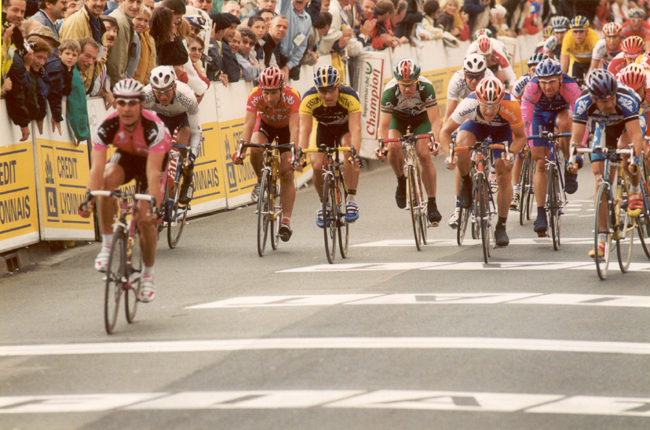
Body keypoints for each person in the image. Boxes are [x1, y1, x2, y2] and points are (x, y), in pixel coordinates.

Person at [81, 79, 171, 302]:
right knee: (106, 181)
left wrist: (155, 206)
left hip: (153, 162)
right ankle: (107, 245)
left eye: (132, 103)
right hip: (127, 157)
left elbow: (152, 174)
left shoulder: (154, 128)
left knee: (144, 218)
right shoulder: (107, 125)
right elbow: (97, 168)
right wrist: (88, 197)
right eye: (121, 102)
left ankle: (148, 275)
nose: (126, 108)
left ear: (141, 105)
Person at [440, 77, 526, 247]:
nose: (489, 111)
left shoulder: (511, 105)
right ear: (478, 100)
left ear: (500, 102)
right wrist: (449, 156)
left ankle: (501, 226)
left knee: (504, 173)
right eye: (485, 105)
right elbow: (445, 132)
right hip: (475, 126)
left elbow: (521, 137)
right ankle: (466, 180)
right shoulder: (469, 103)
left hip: (502, 131)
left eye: (494, 106)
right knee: (461, 144)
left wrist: (511, 153)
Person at [568, 69, 645, 258]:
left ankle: (635, 189)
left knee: (624, 149)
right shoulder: (582, 103)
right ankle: (601, 238)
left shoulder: (625, 99)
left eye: (612, 99)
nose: (610, 103)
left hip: (629, 124)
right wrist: (574, 160)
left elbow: (635, 135)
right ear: (593, 99)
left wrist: (635, 159)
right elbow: (576, 140)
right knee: (599, 177)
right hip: (603, 127)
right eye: (604, 101)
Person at [232, 67, 300, 240]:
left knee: (287, 172)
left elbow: (295, 127)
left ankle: (286, 220)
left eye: (274, 93)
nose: (269, 98)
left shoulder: (292, 96)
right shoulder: (255, 95)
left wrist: (294, 154)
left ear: (281, 89)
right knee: (255, 146)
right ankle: (260, 180)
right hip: (266, 126)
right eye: (266, 93)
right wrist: (241, 150)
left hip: (286, 129)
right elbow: (248, 124)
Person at [376, 58, 443, 224]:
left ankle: (432, 203)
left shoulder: (426, 87)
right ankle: (401, 180)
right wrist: (381, 145)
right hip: (398, 119)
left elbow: (435, 121)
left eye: (411, 84)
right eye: (403, 85)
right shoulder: (389, 91)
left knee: (424, 155)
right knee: (392, 147)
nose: (407, 89)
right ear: (397, 82)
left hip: (420, 119)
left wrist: (436, 141)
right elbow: (383, 126)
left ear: (417, 81)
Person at [521, 58, 581, 236]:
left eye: (552, 82)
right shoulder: (532, 87)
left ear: (560, 79)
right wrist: (525, 140)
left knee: (566, 122)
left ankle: (569, 166)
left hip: (562, 113)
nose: (547, 87)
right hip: (539, 115)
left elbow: (580, 119)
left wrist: (577, 150)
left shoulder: (570, 86)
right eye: (543, 82)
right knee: (540, 162)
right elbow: (526, 117)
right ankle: (540, 213)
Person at [297, 65, 362, 226]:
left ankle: (351, 199)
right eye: (323, 91)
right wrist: (300, 155)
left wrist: (356, 155)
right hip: (323, 129)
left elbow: (356, 129)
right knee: (317, 165)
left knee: (349, 150)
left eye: (331, 90)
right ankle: (324, 204)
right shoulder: (308, 99)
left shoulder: (350, 96)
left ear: (338, 87)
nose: (327, 95)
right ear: (316, 89)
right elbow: (304, 130)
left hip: (344, 129)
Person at [444, 53, 494, 228]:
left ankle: (485, 195)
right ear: (464, 74)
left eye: (478, 77)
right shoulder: (456, 81)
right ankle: (458, 207)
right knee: (462, 152)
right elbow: (450, 113)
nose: (474, 81)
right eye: (470, 77)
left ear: (484, 73)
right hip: (464, 112)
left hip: (486, 113)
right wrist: (452, 142)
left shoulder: (490, 79)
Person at [144, 66, 202, 205]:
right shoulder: (144, 96)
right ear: (152, 89)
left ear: (174, 87)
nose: (163, 97)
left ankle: (188, 179)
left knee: (183, 144)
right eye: (159, 93)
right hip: (162, 118)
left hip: (184, 117)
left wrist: (192, 155)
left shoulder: (187, 97)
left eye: (167, 92)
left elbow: (196, 132)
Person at [560, 15, 599, 84]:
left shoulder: (593, 37)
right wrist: (562, 80)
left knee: (591, 81)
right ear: (571, 32)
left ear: (587, 31)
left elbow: (598, 60)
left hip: (591, 62)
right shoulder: (568, 38)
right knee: (571, 83)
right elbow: (564, 63)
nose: (578, 35)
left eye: (581, 31)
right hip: (576, 62)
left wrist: (587, 78)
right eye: (575, 31)